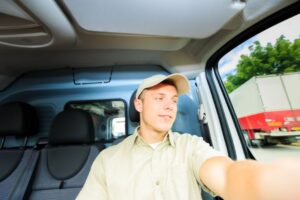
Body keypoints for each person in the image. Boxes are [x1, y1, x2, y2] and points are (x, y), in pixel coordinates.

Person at [77, 73, 300, 200]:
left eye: (174, 100)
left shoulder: (191, 146)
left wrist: (265, 182)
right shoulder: (108, 159)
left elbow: (225, 172)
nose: (169, 106)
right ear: (139, 104)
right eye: (159, 98)